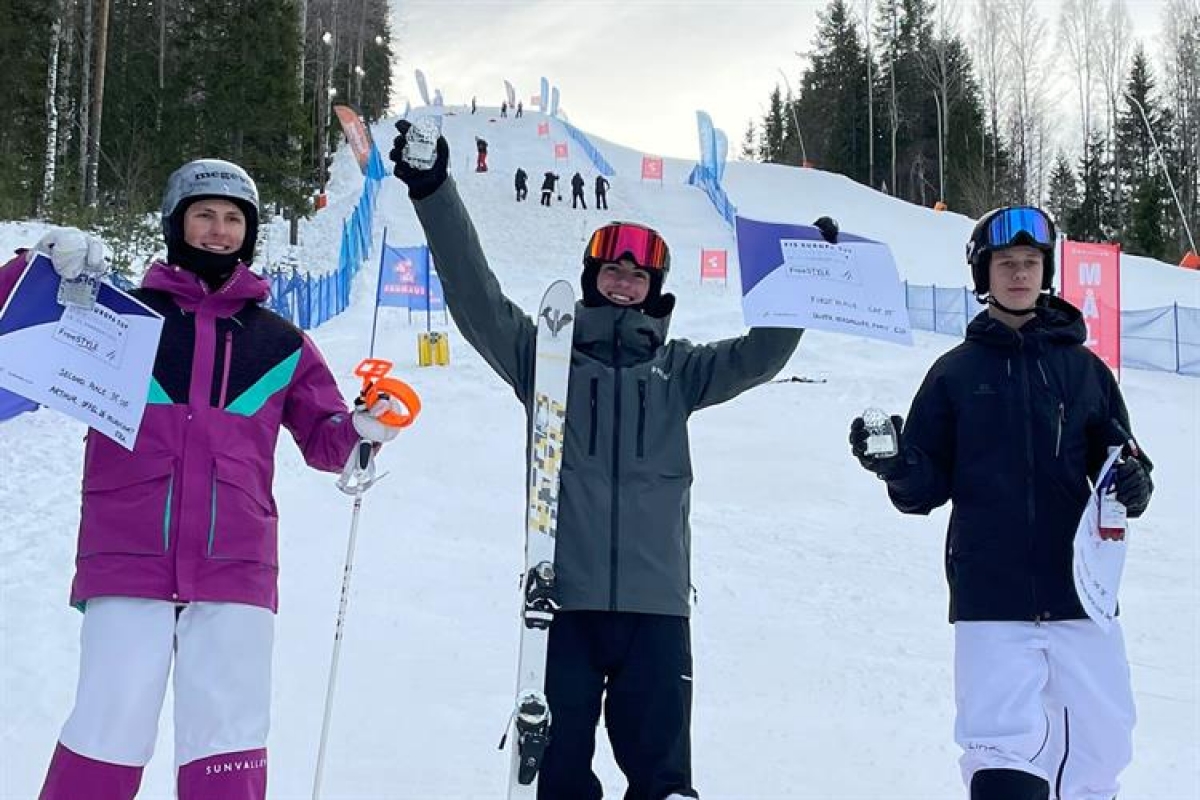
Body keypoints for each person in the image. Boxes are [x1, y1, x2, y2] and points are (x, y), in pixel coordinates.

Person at [389, 121, 804, 800]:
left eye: (637, 274)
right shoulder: (544, 359)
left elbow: (759, 356)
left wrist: (804, 278)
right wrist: (433, 190)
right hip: (563, 605)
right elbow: (476, 298)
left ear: (655, 288)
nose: (622, 282)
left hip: (657, 609)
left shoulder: (683, 371)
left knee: (665, 781)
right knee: (556, 779)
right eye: (612, 269)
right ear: (591, 277)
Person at [0, 159, 408, 800]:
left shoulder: (281, 344)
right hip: (129, 551)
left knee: (227, 740)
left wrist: (365, 427)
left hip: (235, 562)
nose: (218, 231)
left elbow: (328, 437)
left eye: (232, 219)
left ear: (247, 233)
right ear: (177, 224)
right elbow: (17, 334)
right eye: (204, 216)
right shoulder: (120, 316)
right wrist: (43, 269)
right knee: (110, 725)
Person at [848, 205, 1154, 800]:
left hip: (1081, 593)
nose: (1019, 274)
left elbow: (1125, 463)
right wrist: (896, 466)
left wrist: (1137, 483)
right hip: (990, 595)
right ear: (982, 275)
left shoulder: (1084, 372)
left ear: (1047, 272)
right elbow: (925, 487)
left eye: (1031, 263)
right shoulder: (955, 375)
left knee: (1101, 745)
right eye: (1006, 263)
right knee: (998, 744)